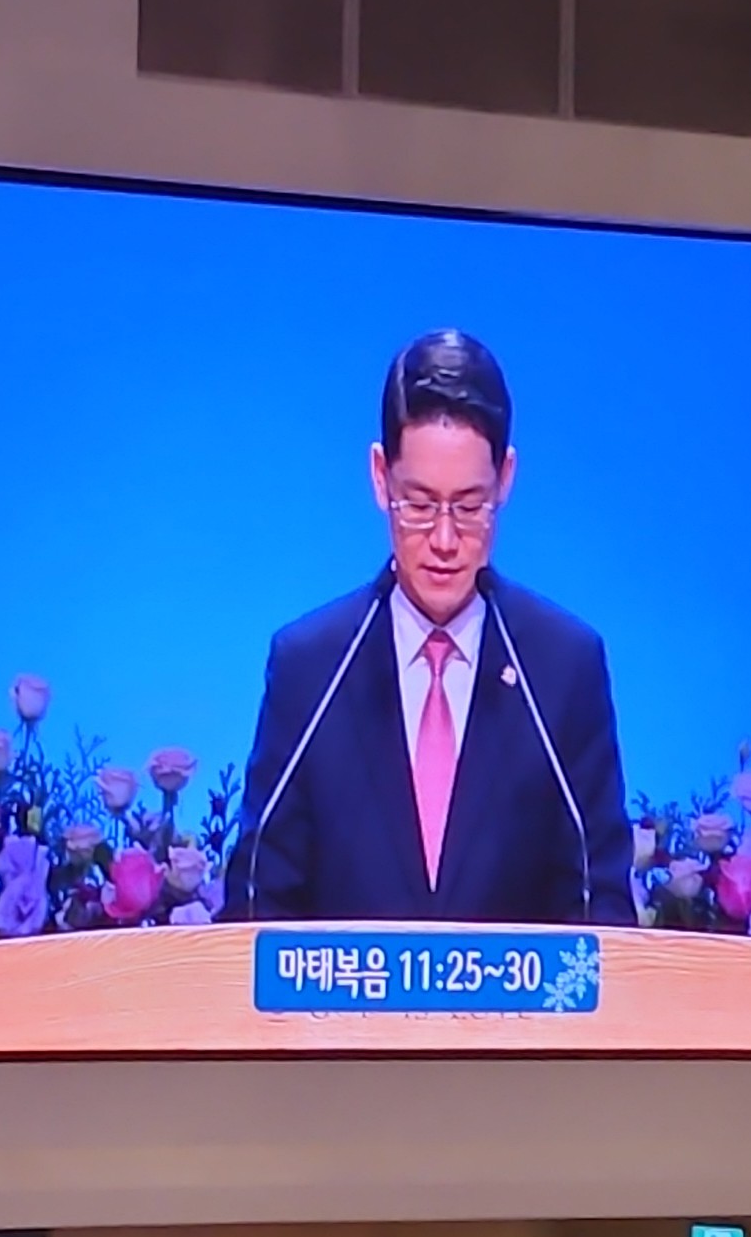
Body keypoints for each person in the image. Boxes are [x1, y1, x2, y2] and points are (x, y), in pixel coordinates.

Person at [226, 331, 630, 927]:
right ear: (380, 477)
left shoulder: (562, 667)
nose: (444, 540)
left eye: (469, 506)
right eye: (418, 504)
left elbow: (601, 909)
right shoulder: (312, 668)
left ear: (506, 479)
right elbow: (259, 901)